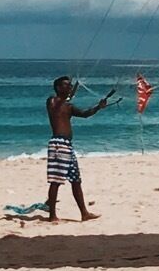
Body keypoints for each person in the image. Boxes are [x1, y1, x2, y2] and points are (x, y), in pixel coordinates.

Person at [43, 77, 114, 220]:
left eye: (70, 85)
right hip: (58, 144)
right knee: (56, 180)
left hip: (68, 146)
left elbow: (85, 114)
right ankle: (52, 215)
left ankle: (84, 213)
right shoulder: (52, 101)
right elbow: (59, 103)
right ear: (58, 87)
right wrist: (72, 91)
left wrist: (98, 107)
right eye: (66, 85)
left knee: (76, 180)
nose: (69, 87)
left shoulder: (69, 107)